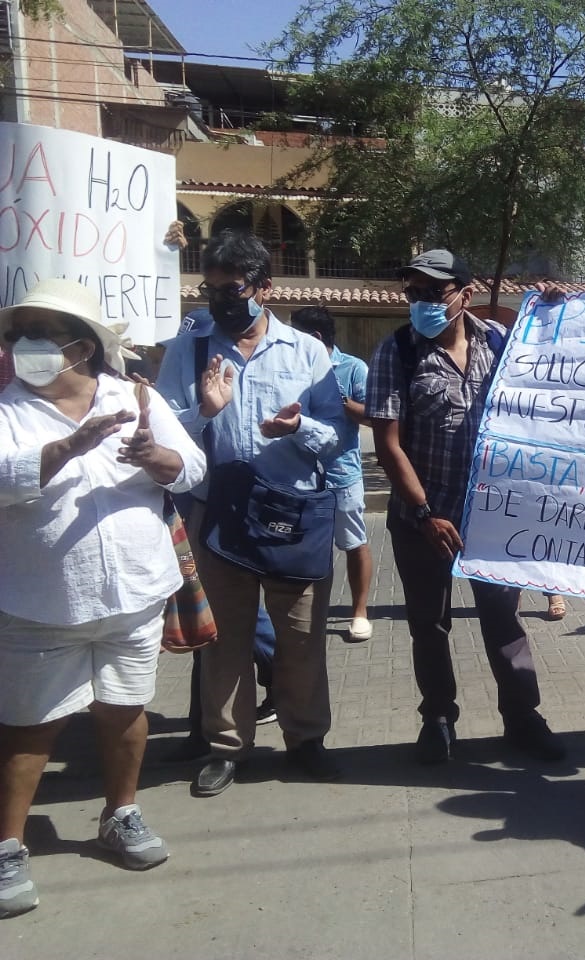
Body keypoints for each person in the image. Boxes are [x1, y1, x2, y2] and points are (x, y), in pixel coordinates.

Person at [0, 278, 206, 917]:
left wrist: (157, 457)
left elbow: (192, 467)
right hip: (41, 603)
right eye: (17, 333)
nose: (23, 345)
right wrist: (63, 450)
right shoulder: (5, 408)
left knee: (124, 710)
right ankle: (7, 845)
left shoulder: (136, 395)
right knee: (30, 727)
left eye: (40, 333)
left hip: (135, 594)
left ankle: (121, 813)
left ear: (81, 348)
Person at [156, 230, 346, 798]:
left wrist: (300, 428)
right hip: (219, 518)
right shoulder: (188, 349)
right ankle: (227, 747)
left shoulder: (307, 352)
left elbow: (338, 437)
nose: (220, 301)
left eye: (232, 289)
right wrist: (203, 411)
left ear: (264, 288)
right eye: (210, 289)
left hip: (294, 517)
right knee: (226, 642)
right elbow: (162, 432)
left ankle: (305, 739)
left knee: (301, 638)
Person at [366, 249, 563, 764]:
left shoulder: (501, 343)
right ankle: (438, 719)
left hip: (492, 519)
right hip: (423, 520)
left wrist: (557, 317)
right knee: (429, 625)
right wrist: (426, 511)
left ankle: (523, 718)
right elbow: (388, 443)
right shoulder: (398, 352)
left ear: (464, 294)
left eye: (434, 292)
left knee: (503, 621)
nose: (422, 303)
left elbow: (558, 370)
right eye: (414, 293)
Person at [160, 309, 280, 763]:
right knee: (204, 619)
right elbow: (168, 432)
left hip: (240, 502)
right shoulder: (180, 363)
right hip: (193, 502)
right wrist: (203, 411)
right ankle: (203, 729)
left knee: (228, 618)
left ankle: (277, 675)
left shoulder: (241, 362)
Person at [289, 305, 374, 643]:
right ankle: (308, 613)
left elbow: (372, 415)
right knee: (305, 549)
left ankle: (360, 612)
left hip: (342, 473)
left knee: (353, 542)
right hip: (299, 475)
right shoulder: (291, 368)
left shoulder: (353, 368)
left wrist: (342, 401)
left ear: (314, 337)